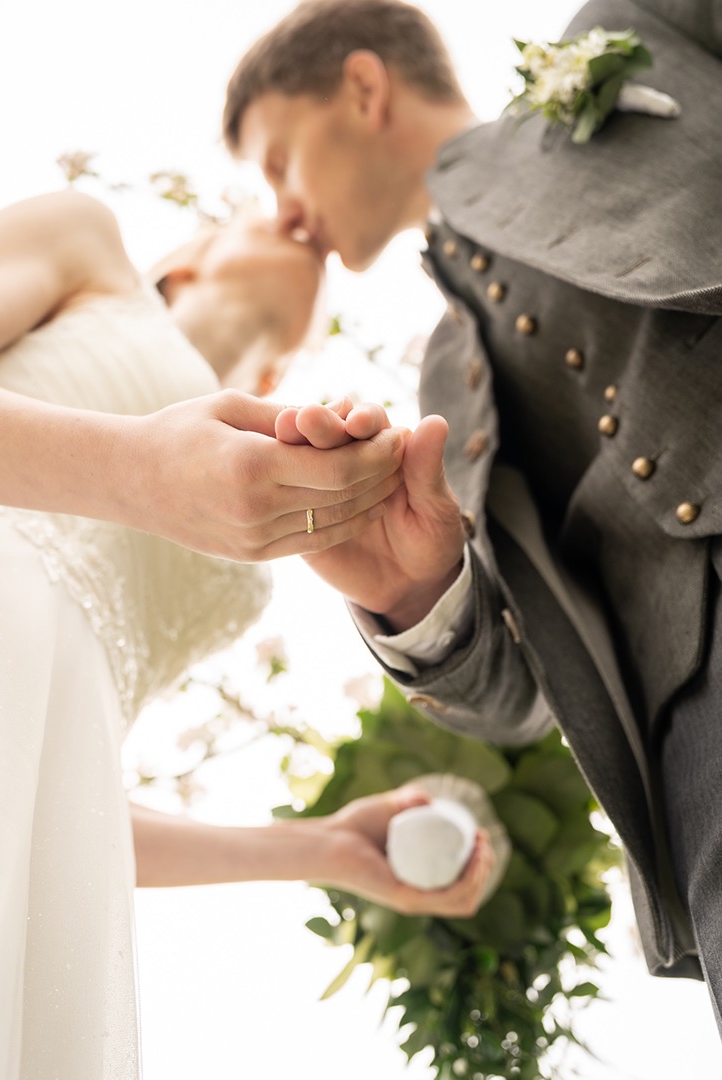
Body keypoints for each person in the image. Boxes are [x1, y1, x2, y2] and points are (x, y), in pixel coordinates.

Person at [0, 191, 495, 1079]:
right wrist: (133, 471)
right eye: (266, 199)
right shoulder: (87, 248)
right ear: (191, 257)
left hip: (6, 846)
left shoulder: (254, 520)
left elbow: (63, 778)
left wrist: (316, 847)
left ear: (283, 373)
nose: (298, 208)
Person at [224, 0, 722, 1037]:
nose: (281, 213)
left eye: (278, 162)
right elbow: (521, 702)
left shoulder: (626, 29)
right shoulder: (445, 383)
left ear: (362, 89)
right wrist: (404, 593)